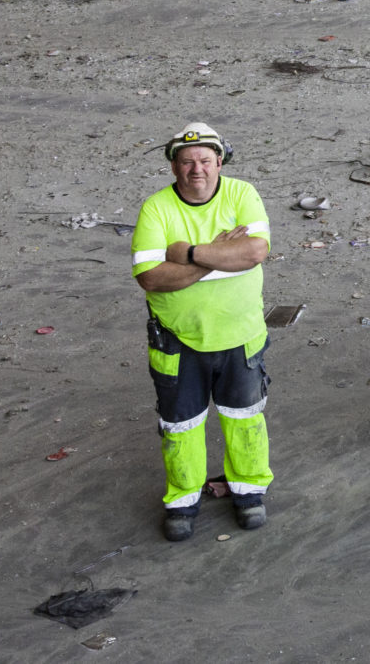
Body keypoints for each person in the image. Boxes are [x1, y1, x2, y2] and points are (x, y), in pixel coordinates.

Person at [132, 123, 273, 539]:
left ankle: (249, 494)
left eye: (206, 161)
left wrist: (188, 254)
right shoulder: (156, 208)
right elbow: (151, 277)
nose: (198, 170)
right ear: (174, 165)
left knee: (245, 418)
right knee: (180, 425)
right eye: (188, 161)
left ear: (220, 161)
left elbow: (254, 251)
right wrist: (217, 255)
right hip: (178, 340)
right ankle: (182, 501)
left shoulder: (242, 194)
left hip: (241, 335)